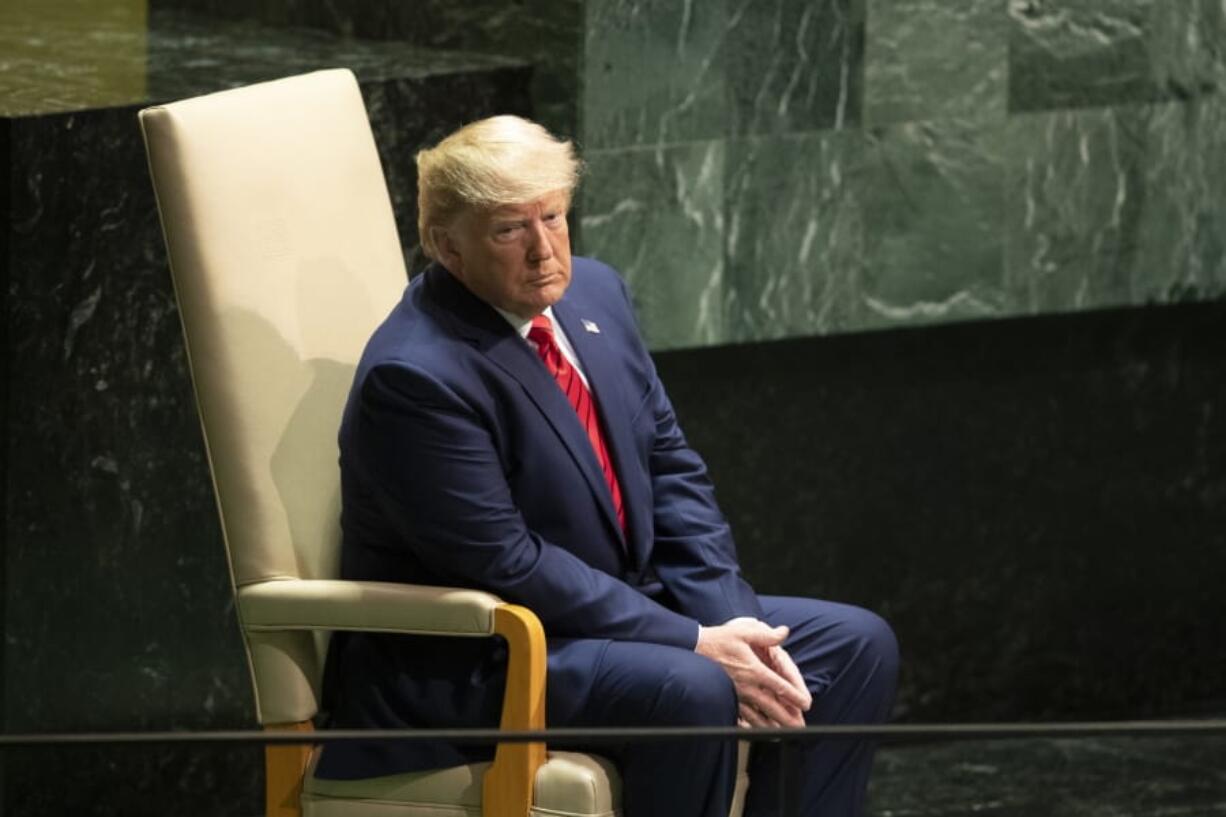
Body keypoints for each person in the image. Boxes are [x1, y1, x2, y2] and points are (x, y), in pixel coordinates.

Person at [317, 114, 898, 817]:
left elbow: (669, 464)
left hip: (616, 612)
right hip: (483, 653)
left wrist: (732, 624)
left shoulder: (595, 294)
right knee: (692, 685)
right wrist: (692, 640)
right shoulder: (418, 376)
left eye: (554, 217)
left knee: (855, 645)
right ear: (447, 246)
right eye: (509, 230)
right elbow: (508, 562)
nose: (544, 251)